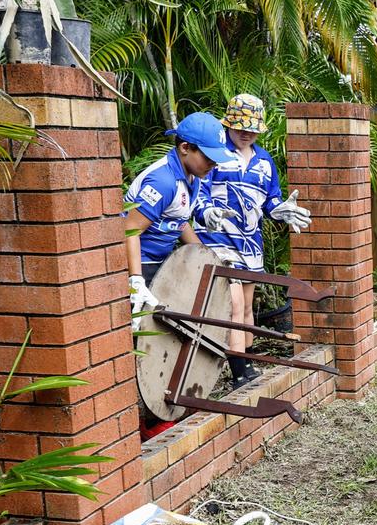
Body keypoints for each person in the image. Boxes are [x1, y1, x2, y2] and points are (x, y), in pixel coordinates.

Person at [195, 94, 312, 388]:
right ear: (229, 124)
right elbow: (199, 190)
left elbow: (270, 201)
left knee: (247, 308)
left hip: (250, 245)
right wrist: (206, 211)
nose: (246, 132)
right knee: (234, 307)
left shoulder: (264, 160)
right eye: (240, 127)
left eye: (252, 128)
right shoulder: (217, 152)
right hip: (219, 240)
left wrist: (280, 211)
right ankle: (238, 374)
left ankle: (246, 364)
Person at [123, 112, 237, 330]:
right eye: (208, 157)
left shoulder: (193, 176)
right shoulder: (163, 181)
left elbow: (180, 222)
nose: (213, 164)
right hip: (140, 264)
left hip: (162, 262)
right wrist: (135, 280)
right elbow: (130, 230)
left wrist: (208, 256)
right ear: (185, 148)